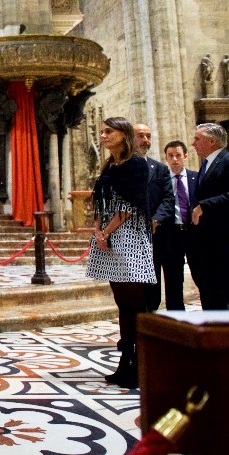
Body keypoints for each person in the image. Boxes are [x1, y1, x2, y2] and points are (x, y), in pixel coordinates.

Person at [86, 117, 154, 389]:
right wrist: (97, 229)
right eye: (102, 132)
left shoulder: (136, 164)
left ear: (123, 135)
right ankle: (125, 361)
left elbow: (131, 204)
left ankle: (139, 363)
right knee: (122, 303)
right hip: (108, 235)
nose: (103, 136)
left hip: (129, 235)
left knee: (134, 303)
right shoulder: (110, 165)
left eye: (108, 132)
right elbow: (100, 200)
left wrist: (108, 230)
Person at [134, 123, 175, 311]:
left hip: (154, 234)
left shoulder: (160, 169)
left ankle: (151, 316)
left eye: (148, 136)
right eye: (141, 136)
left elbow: (168, 199)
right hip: (130, 234)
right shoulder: (120, 167)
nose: (145, 140)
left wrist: (156, 219)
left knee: (153, 280)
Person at [188, 123, 229, 309]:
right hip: (205, 242)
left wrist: (205, 205)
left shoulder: (226, 160)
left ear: (212, 141)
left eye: (197, 139)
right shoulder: (206, 164)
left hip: (221, 241)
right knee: (210, 293)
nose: (193, 143)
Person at [159, 140, 197, 310]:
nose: (175, 159)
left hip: (194, 233)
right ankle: (177, 320)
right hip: (171, 234)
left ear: (185, 156)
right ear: (166, 158)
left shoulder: (196, 178)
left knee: (202, 275)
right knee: (173, 279)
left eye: (178, 155)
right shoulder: (161, 181)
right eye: (171, 156)